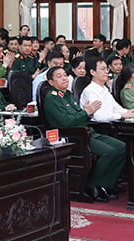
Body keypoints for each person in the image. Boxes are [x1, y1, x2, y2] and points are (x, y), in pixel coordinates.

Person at [41, 66, 125, 202]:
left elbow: (80, 116)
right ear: (51, 82)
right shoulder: (52, 98)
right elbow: (65, 122)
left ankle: (107, 184)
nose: (64, 78)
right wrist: (86, 113)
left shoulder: (68, 95)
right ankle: (92, 186)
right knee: (109, 152)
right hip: (73, 136)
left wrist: (86, 113)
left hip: (85, 131)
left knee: (121, 147)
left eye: (64, 75)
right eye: (59, 76)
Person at [79, 57, 134, 122]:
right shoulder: (91, 91)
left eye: (107, 69)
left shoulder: (104, 89)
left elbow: (115, 108)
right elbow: (99, 117)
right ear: (92, 72)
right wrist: (121, 115)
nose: (106, 72)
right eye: (103, 69)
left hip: (110, 125)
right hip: (98, 127)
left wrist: (129, 112)